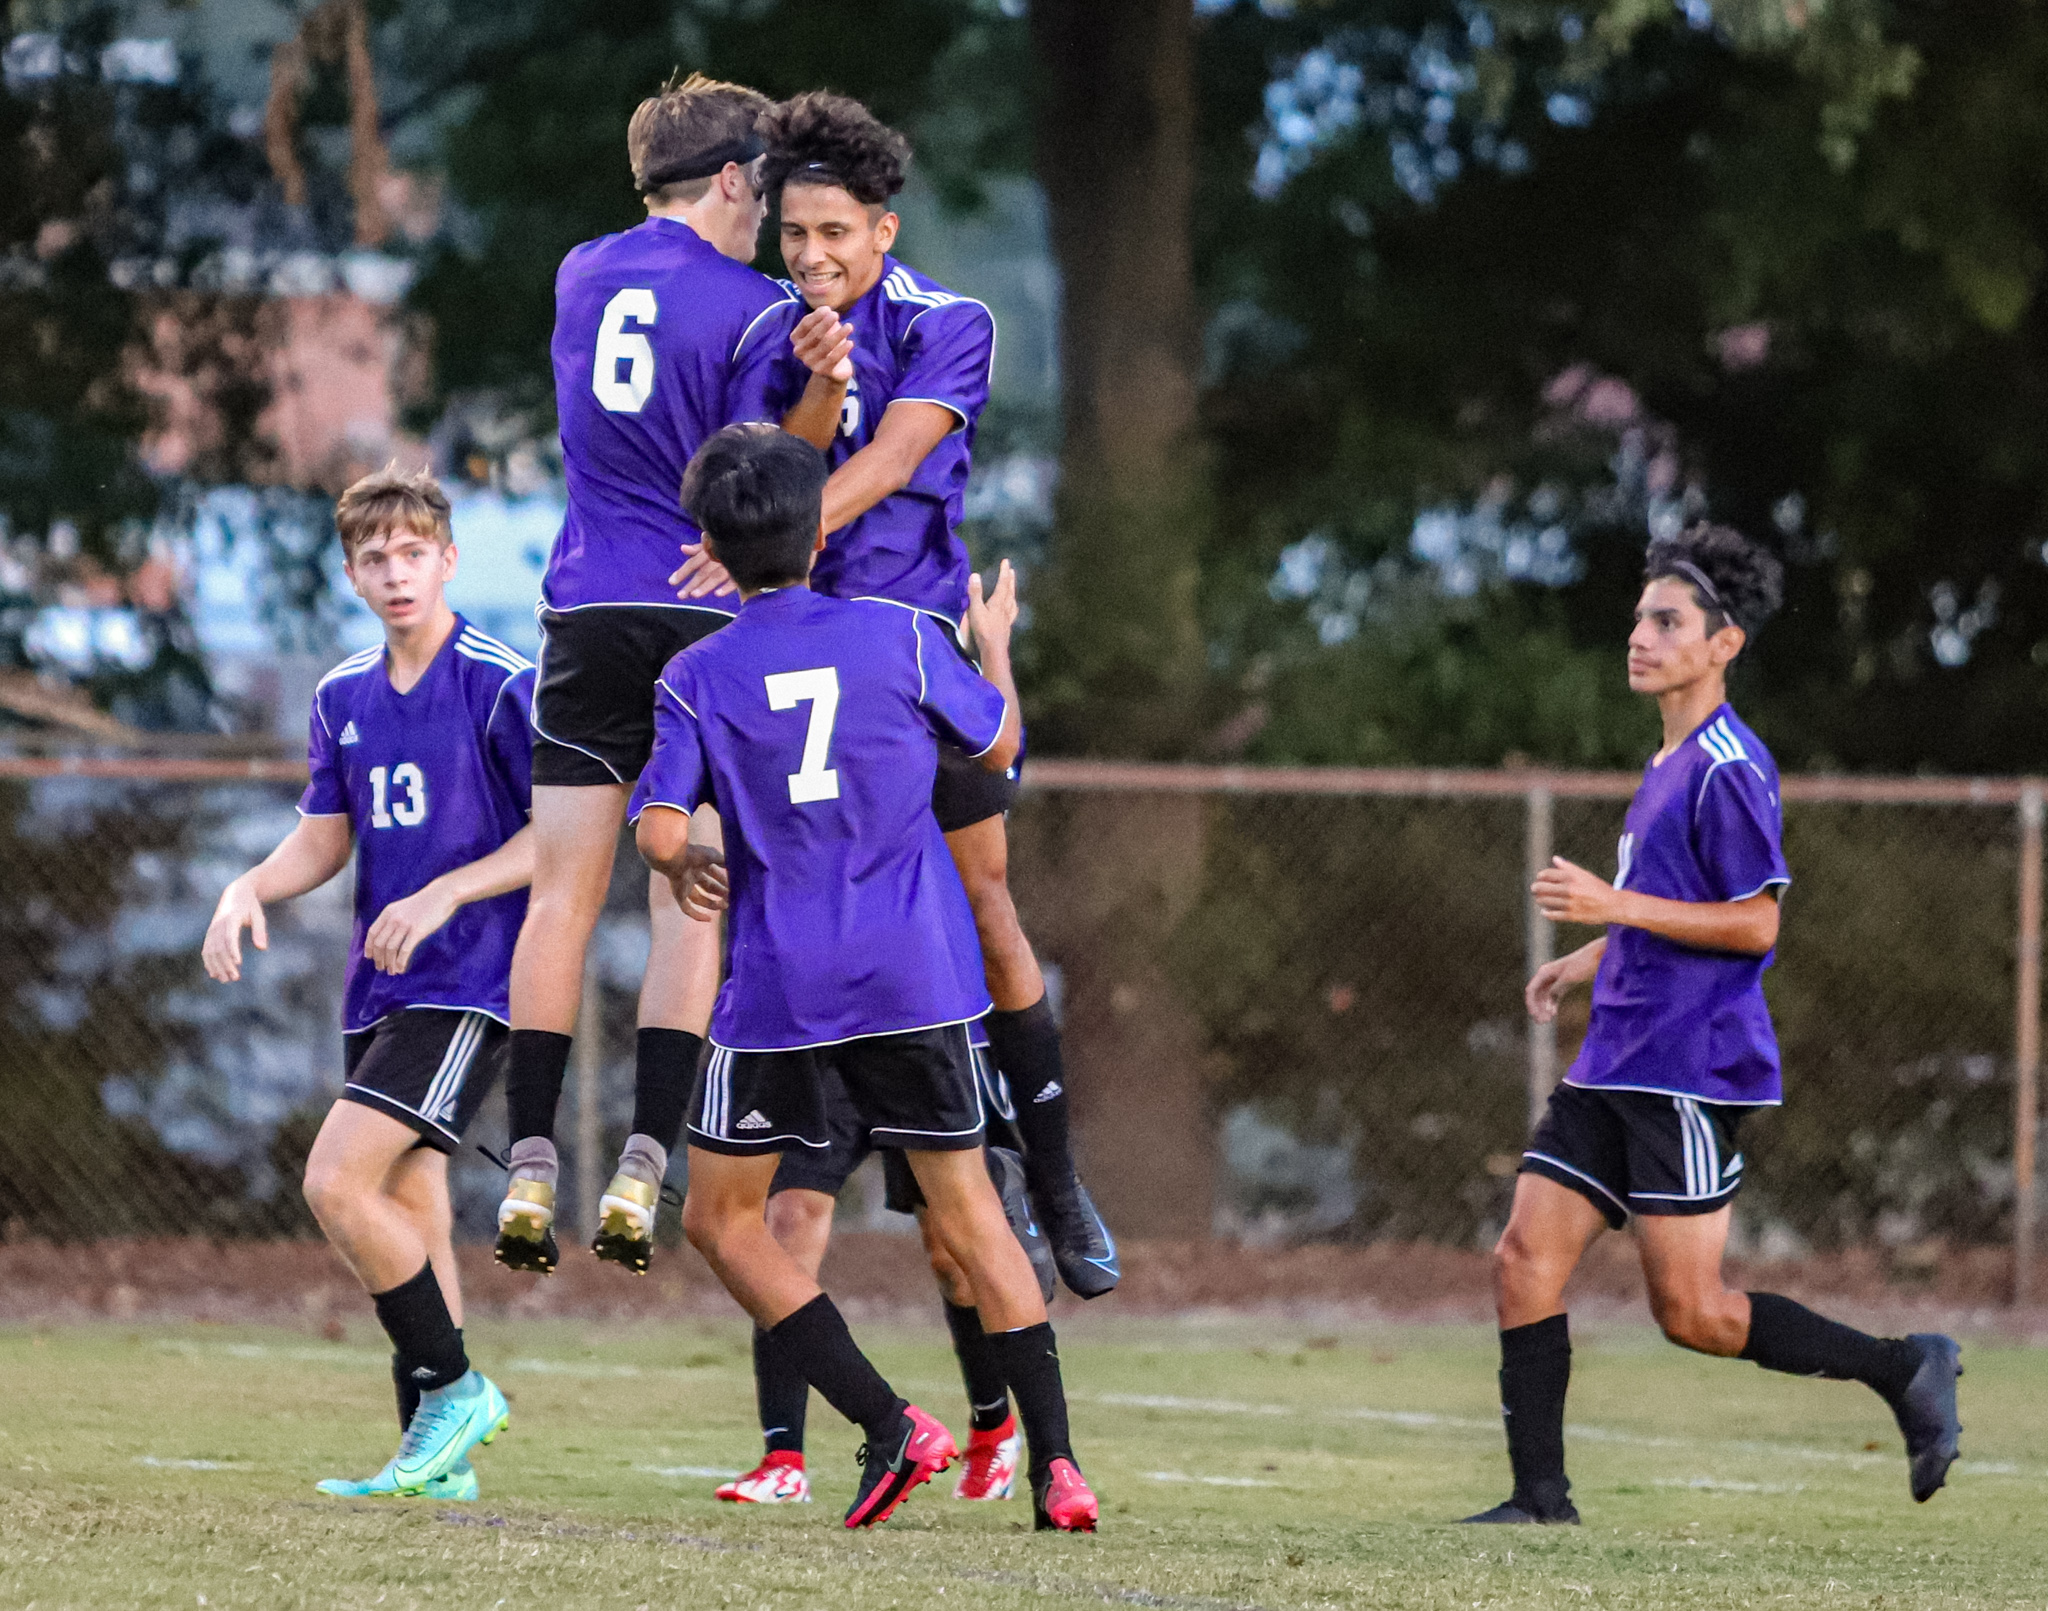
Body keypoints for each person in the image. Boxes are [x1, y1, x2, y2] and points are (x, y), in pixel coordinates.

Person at [632, 423, 1097, 1532]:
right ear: (819, 525)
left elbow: (654, 829)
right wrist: (994, 646)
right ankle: (1058, 1471)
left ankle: (888, 1425)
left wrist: (688, 856)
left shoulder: (695, 672)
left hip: (780, 985)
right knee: (975, 1215)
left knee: (721, 1221)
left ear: (709, 542)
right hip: (910, 977)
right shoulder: (896, 636)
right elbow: (996, 752)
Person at [1463, 524, 1963, 1526]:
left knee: (1690, 1315)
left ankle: (1902, 1368)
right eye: (1639, 618)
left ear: (1721, 643)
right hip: (1614, 1058)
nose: (1640, 636)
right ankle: (1538, 1501)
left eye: (1666, 620)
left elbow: (1754, 923)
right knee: (1521, 1257)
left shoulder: (1727, 765)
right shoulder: (1666, 763)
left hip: (1689, 1068)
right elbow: (1666, 900)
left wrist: (1613, 910)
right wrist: (1587, 955)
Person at [738, 89, 1117, 1302]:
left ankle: (1055, 1178)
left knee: (988, 899)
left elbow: (894, 460)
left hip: (906, 651)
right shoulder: (767, 340)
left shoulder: (951, 323)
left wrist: (777, 529)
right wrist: (807, 391)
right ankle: (913, 1152)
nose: (810, 257)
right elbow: (786, 469)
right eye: (792, 235)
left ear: (881, 232)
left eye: (832, 234)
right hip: (802, 658)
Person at [493, 74, 800, 1275]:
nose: (767, 211)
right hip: (691, 613)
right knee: (690, 891)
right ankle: (643, 1160)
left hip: (579, 605)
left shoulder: (579, 271)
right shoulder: (757, 306)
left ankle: (526, 1159)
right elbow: (744, 468)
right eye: (763, 188)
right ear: (732, 178)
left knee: (559, 895)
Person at [202, 466, 531, 1500]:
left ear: (447, 560)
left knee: (334, 1180)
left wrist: (445, 895)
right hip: (380, 985)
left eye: (412, 554)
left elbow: (563, 842)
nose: (396, 573)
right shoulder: (342, 693)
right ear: (352, 573)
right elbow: (324, 838)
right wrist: (247, 885)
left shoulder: (499, 681)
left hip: (474, 981)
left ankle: (455, 1387)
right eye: (375, 558)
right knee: (410, 1195)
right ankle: (434, 1462)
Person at [713, 1031, 1056, 1506]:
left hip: (906, 1032)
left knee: (951, 1257)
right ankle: (783, 1460)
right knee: (785, 1229)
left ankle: (992, 1429)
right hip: (825, 1040)